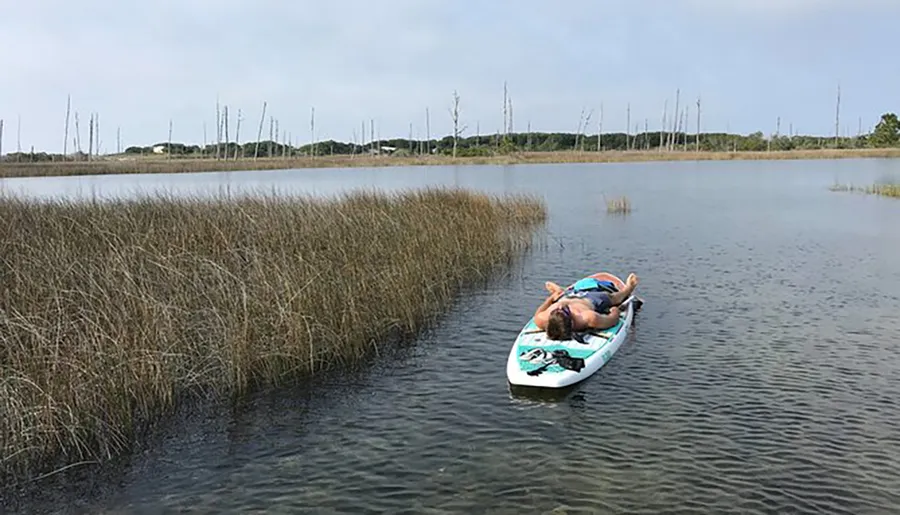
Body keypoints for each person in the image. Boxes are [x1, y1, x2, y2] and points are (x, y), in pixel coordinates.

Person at [533, 273, 639, 341]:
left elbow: (539, 311)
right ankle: (628, 289)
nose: (560, 307)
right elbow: (612, 320)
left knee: (560, 297)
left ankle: (559, 292)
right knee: (613, 299)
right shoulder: (588, 318)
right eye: (565, 310)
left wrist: (550, 300)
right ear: (571, 322)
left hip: (567, 296)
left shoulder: (541, 319)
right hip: (590, 299)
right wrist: (615, 311)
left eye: (556, 309)